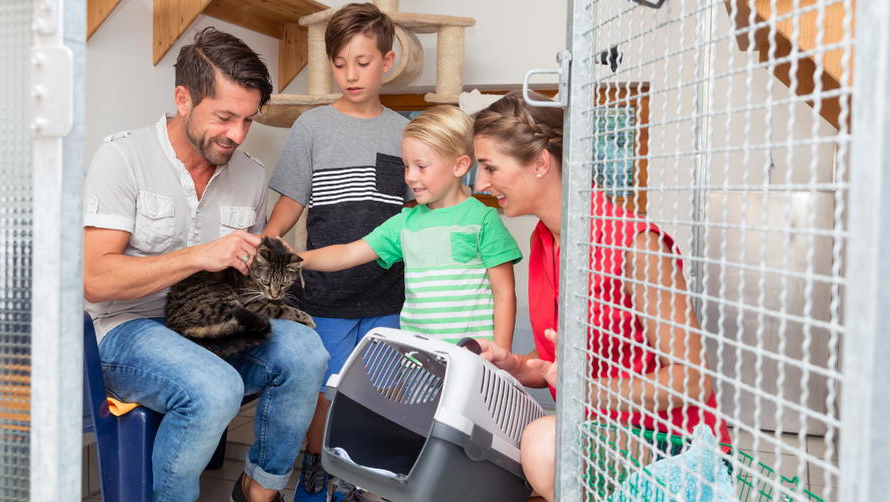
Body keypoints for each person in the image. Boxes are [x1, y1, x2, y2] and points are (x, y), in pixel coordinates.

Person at [83, 27, 328, 502]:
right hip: (126, 328)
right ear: (183, 99)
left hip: (211, 327)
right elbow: (95, 280)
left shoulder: (251, 174)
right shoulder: (122, 158)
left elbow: (249, 275)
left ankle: (259, 490)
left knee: (307, 352)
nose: (237, 134)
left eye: (248, 119)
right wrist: (198, 255)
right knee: (214, 388)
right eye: (224, 117)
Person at [470, 91, 731, 501]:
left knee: (543, 444)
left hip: (674, 446)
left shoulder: (636, 244)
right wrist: (517, 366)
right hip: (605, 432)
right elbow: (563, 363)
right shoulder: (544, 240)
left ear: (539, 163)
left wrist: (585, 392)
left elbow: (693, 380)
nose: (480, 184)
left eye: (489, 168)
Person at [262, 4, 412, 502]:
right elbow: (292, 201)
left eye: (363, 63)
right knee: (323, 391)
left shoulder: (405, 132)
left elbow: (416, 211)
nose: (351, 75)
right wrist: (268, 243)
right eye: (340, 63)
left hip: (388, 294)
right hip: (325, 293)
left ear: (387, 62)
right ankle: (315, 467)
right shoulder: (312, 126)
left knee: (378, 394)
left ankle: (359, 479)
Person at [299, 105, 522, 349]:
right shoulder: (404, 223)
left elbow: (504, 293)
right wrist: (294, 258)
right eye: (406, 166)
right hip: (418, 357)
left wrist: (502, 354)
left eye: (421, 166)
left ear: (459, 166)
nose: (410, 177)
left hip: (474, 356)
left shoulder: (484, 219)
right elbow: (348, 253)